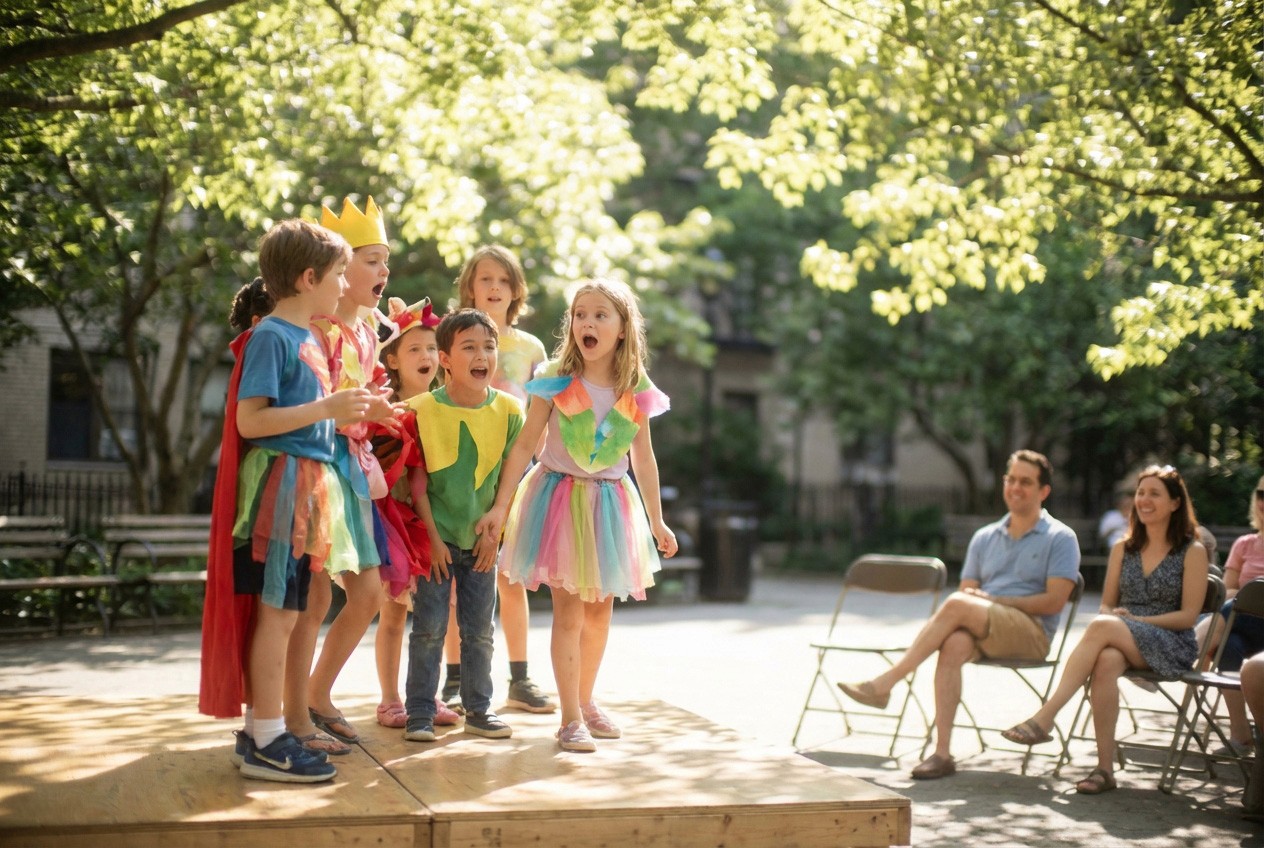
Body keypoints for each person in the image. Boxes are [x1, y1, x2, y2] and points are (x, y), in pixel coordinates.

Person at [199, 218, 373, 782]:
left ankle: (263, 730)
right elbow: (251, 420)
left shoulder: (308, 338)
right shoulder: (273, 336)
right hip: (280, 487)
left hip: (305, 490)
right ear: (307, 278)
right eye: (341, 274)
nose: (346, 285)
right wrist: (326, 410)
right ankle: (267, 737)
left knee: (289, 610)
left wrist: (353, 411)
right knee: (276, 614)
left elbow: (311, 418)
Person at [476, 279, 678, 753]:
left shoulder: (635, 388)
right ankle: (568, 718)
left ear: (623, 328)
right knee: (568, 613)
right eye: (580, 314)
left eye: (600, 315)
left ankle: (586, 701)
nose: (587, 322)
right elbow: (526, 443)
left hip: (610, 504)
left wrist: (658, 521)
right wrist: (502, 505)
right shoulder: (555, 377)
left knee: (600, 616)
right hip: (559, 502)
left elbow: (644, 459)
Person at [837, 449, 1080, 780]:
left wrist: (996, 600)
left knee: (955, 604)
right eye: (1011, 480)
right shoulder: (985, 537)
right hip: (986, 625)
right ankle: (942, 753)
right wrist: (985, 602)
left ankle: (887, 681)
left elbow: (1054, 602)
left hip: (1032, 634)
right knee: (952, 643)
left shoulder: (1060, 537)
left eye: (1026, 482)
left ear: (1043, 491)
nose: (1015, 488)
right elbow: (969, 593)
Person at [1001, 464, 1209, 795]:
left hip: (1170, 642)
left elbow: (1187, 617)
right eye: (1140, 492)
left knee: (1102, 628)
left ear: (1175, 503)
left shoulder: (1192, 551)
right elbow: (1107, 606)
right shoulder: (1122, 548)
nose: (1144, 500)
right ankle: (1104, 769)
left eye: (1154, 493)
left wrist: (1134, 622)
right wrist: (1118, 619)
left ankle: (1046, 716)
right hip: (1122, 634)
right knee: (1105, 661)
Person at [284, 196, 397, 754]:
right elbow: (317, 399)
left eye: (385, 261)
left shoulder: (370, 332)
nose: (383, 271)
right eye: (372, 260)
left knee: (369, 592)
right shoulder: (319, 328)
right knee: (314, 597)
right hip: (321, 466)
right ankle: (296, 709)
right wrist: (364, 409)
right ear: (338, 269)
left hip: (354, 470)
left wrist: (379, 407)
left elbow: (363, 396)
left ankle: (315, 694)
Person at [439, 245, 555, 715]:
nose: (493, 288)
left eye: (502, 281)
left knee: (510, 577)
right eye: (484, 279)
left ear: (515, 291)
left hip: (518, 475)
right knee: (454, 579)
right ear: (469, 287)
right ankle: (453, 678)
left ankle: (520, 678)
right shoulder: (452, 339)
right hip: (463, 474)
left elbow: (545, 418)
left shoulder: (531, 350)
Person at [402, 308, 524, 743]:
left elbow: (512, 479)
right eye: (469, 347)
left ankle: (479, 709)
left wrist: (498, 533)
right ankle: (418, 712)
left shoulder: (511, 412)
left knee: (480, 631)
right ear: (446, 359)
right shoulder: (419, 410)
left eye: (488, 347)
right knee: (429, 628)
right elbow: (415, 485)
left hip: (482, 543)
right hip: (434, 540)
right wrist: (432, 541)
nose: (481, 355)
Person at [369, 297, 461, 729]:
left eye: (430, 349)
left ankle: (425, 693)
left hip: (435, 521)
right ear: (392, 358)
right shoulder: (387, 406)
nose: (425, 357)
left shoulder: (446, 405)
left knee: (434, 614)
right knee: (392, 611)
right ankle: (390, 699)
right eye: (414, 349)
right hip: (395, 518)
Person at [1192, 472, 1264, 756]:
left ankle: (1182, 654)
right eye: (1260, 494)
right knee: (1227, 646)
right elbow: (1229, 590)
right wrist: (1250, 597)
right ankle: (1241, 735)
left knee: (1228, 617)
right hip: (1244, 623)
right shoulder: (1245, 544)